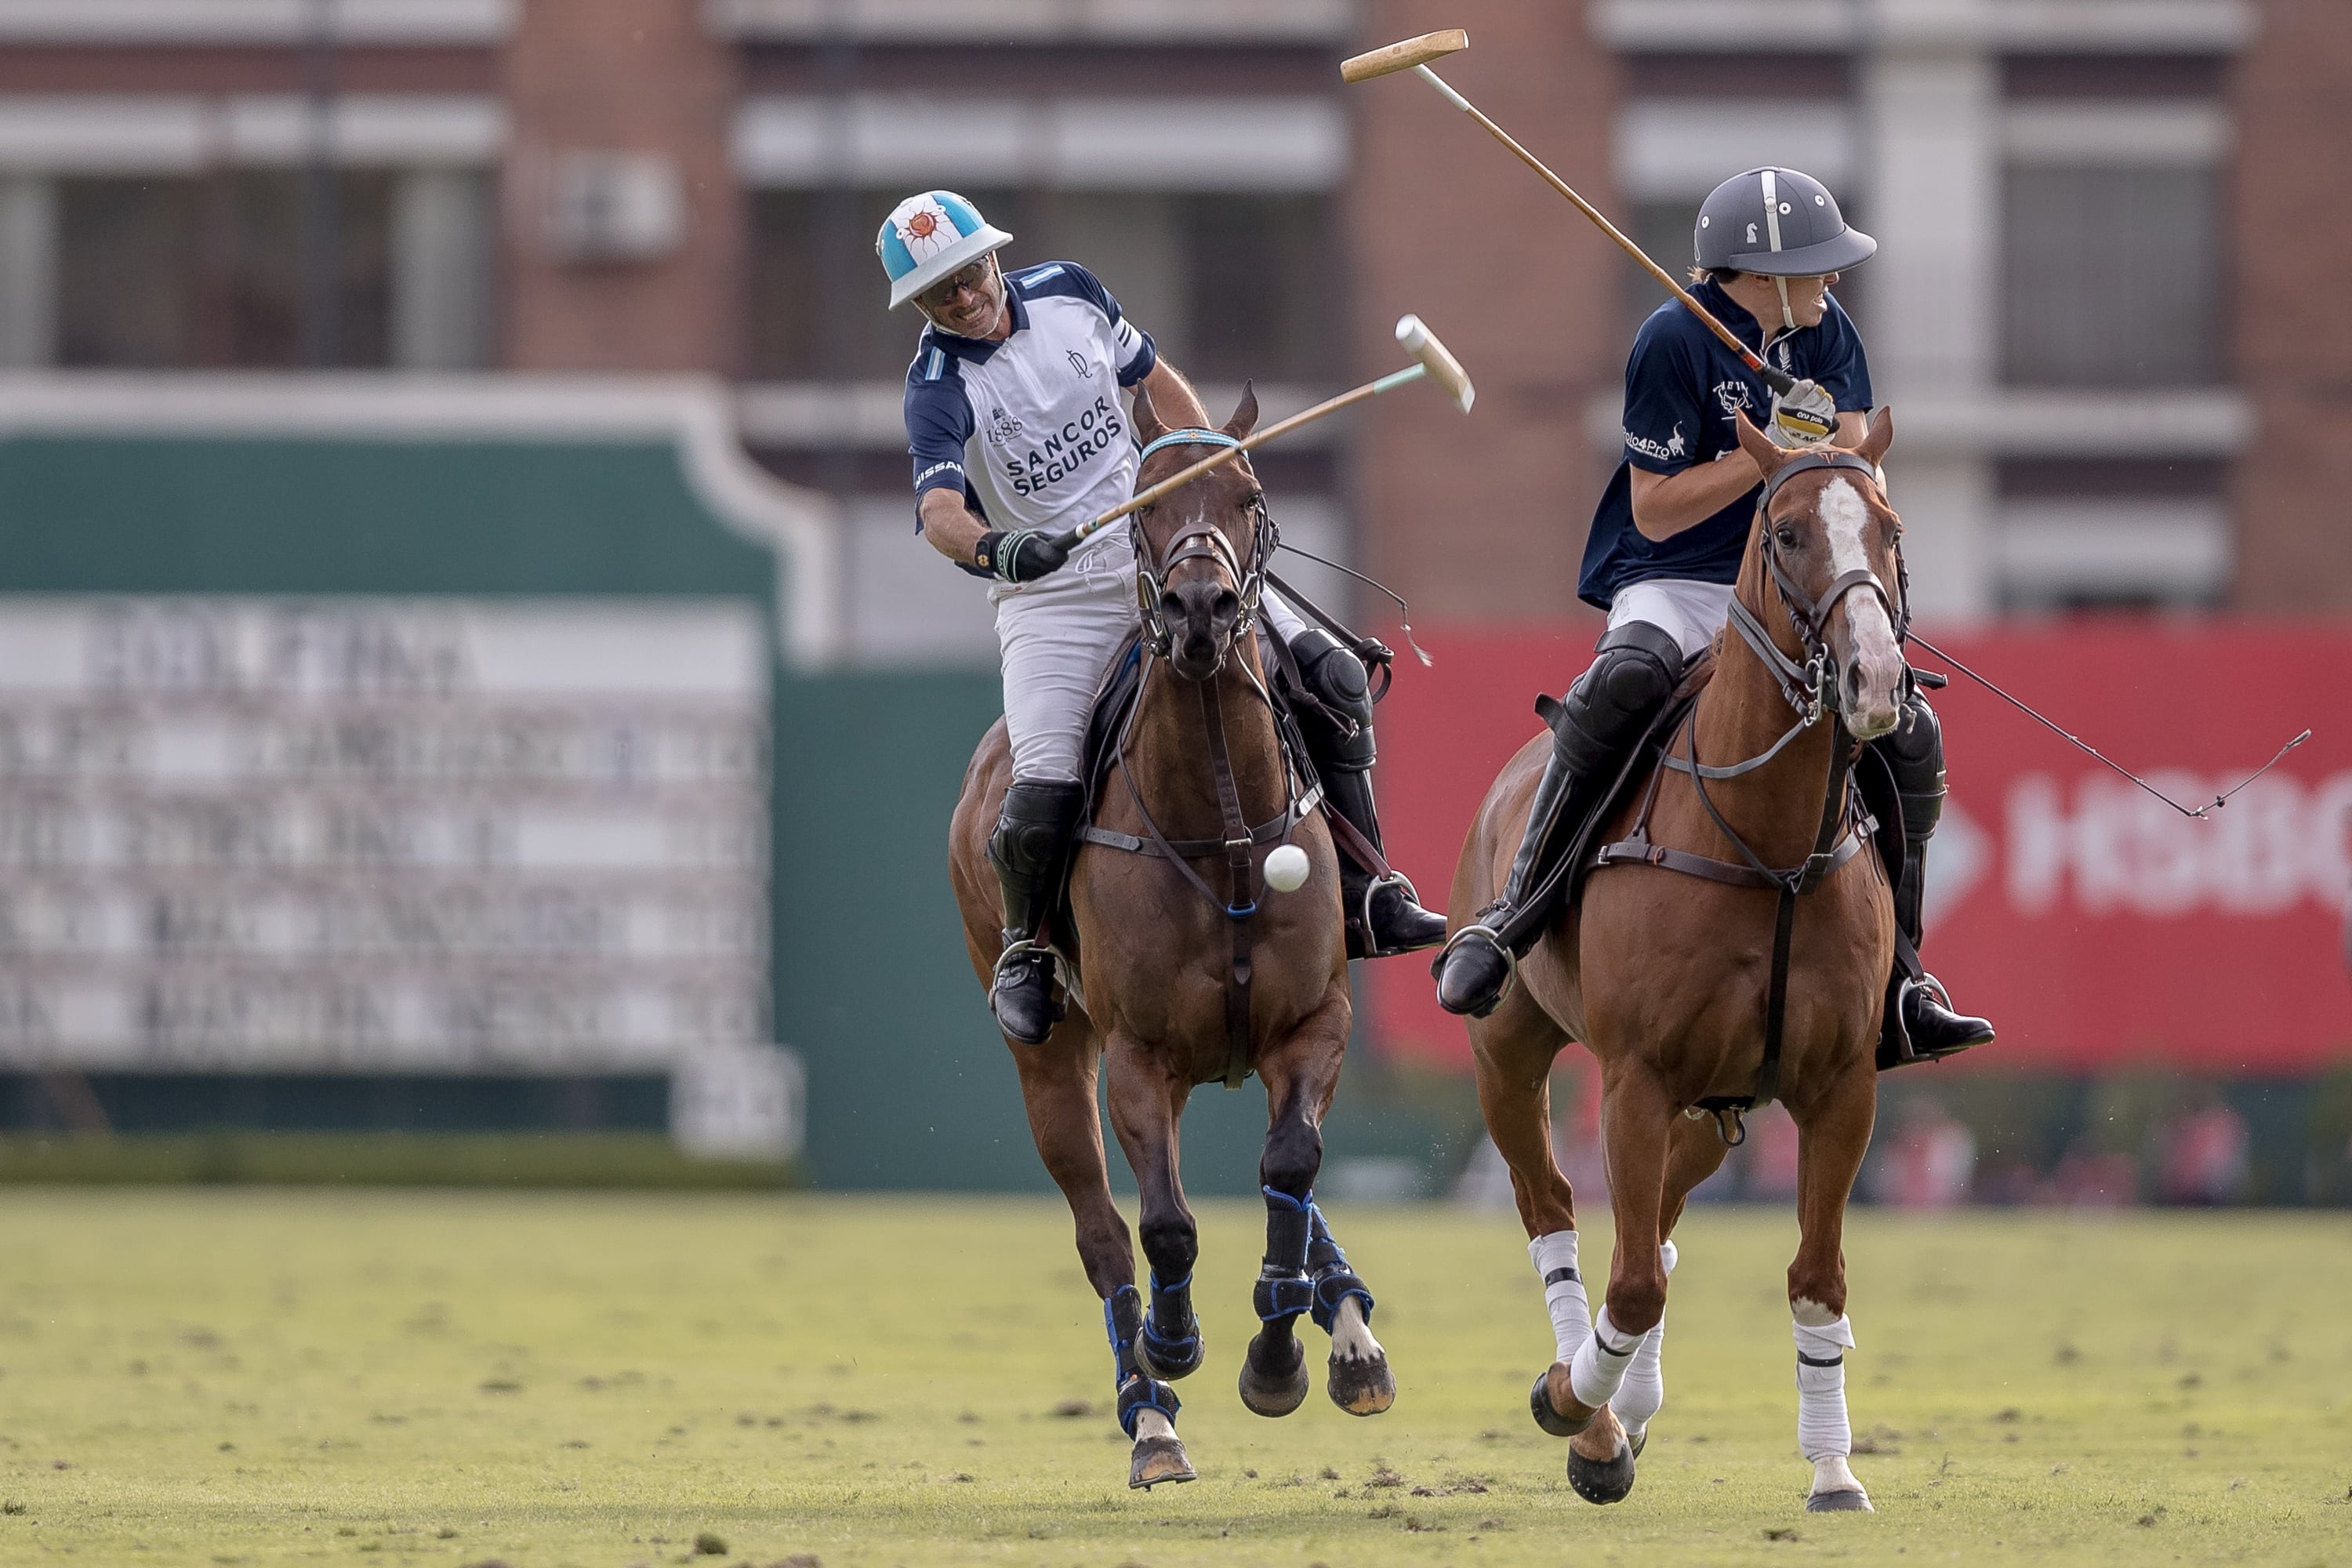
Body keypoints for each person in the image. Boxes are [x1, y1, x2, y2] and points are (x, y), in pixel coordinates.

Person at [1432, 166, 1994, 1065]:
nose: (1834, 280)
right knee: (1623, 682)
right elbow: (1653, 507)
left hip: (1801, 580)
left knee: (1910, 731)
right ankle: (1515, 911)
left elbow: (1859, 467)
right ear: (1763, 276)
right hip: (1681, 577)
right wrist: (1768, 455)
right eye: (1817, 265)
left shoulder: (1827, 333)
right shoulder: (1670, 343)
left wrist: (1834, 454)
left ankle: (1905, 974)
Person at [880, 191, 1446, 1045]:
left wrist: (1202, 465)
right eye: (939, 293)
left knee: (1332, 675)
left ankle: (1370, 887)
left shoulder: (1071, 290)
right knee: (1038, 792)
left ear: (992, 256)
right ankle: (1028, 951)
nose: (963, 298)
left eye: (967, 275)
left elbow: (1153, 377)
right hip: (1055, 600)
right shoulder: (937, 385)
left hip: (1166, 552)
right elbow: (938, 515)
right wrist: (1001, 550)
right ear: (921, 307)